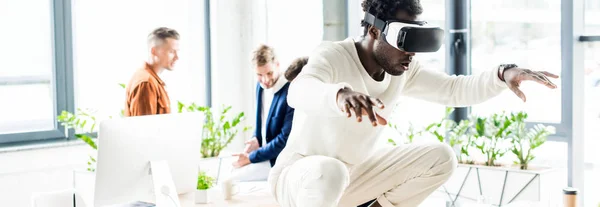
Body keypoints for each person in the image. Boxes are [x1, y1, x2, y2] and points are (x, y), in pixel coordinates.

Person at [267, 0, 559, 207]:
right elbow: (299, 90)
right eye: (404, 40)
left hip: (353, 177)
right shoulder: (333, 55)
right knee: (331, 172)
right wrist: (339, 94)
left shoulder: (403, 71)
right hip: (300, 177)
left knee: (441, 156)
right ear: (373, 31)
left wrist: (501, 73)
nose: (411, 54)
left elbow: (454, 89)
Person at [229, 44, 295, 181]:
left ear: (277, 65)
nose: (265, 80)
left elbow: (284, 140)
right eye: (259, 75)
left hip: (278, 161)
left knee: (233, 178)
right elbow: (262, 122)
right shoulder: (260, 87)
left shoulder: (290, 92)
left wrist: (250, 158)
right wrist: (256, 139)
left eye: (269, 73)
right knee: (228, 169)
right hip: (264, 154)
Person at [124, 27, 180, 117]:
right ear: (154, 51)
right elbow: (144, 129)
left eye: (177, 52)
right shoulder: (146, 83)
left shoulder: (152, 80)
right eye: (171, 52)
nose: (177, 57)